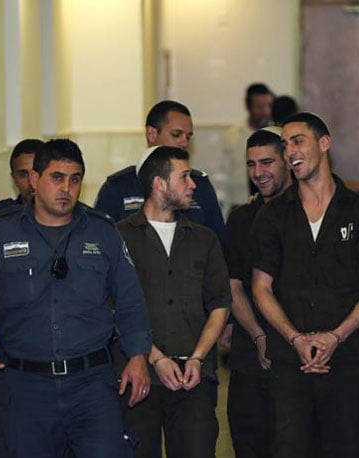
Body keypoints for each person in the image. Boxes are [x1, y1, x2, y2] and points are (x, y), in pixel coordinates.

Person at [0, 139, 152, 458]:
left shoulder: (103, 233)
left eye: (75, 178)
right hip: (26, 389)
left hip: (91, 385)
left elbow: (130, 300)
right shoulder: (0, 234)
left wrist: (138, 357)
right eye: (57, 177)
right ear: (34, 179)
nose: (67, 188)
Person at [251, 112, 359, 457]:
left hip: (347, 363)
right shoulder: (273, 216)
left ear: (324, 143)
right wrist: (295, 338)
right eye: (285, 145)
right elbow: (260, 287)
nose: (290, 152)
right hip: (291, 365)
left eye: (298, 141)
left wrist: (336, 336)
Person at [116, 146, 230, 458]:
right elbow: (110, 307)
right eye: (184, 177)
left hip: (194, 379)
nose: (193, 184)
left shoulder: (204, 239)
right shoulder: (118, 237)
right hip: (139, 377)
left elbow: (220, 304)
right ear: (159, 183)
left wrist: (197, 358)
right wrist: (155, 358)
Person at [224, 127, 292, 458]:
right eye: (251, 164)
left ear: (288, 162)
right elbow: (233, 285)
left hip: (297, 363)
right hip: (249, 362)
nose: (258, 173)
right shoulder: (240, 219)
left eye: (267, 162)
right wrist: (258, 336)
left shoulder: (309, 214)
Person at [0, 138, 46, 457]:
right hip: (10, 356)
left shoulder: (81, 222)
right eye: (23, 174)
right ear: (14, 178)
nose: (31, 182)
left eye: (37, 172)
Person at [94, 100, 225, 239]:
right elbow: (99, 243)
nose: (184, 142)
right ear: (151, 134)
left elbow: (219, 244)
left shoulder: (199, 186)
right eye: (176, 134)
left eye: (188, 137)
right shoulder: (117, 187)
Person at [222, 83, 275, 213]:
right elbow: (223, 174)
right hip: (239, 204)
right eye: (259, 106)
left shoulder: (276, 135)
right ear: (248, 107)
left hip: (270, 205)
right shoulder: (233, 135)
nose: (265, 111)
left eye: (268, 106)